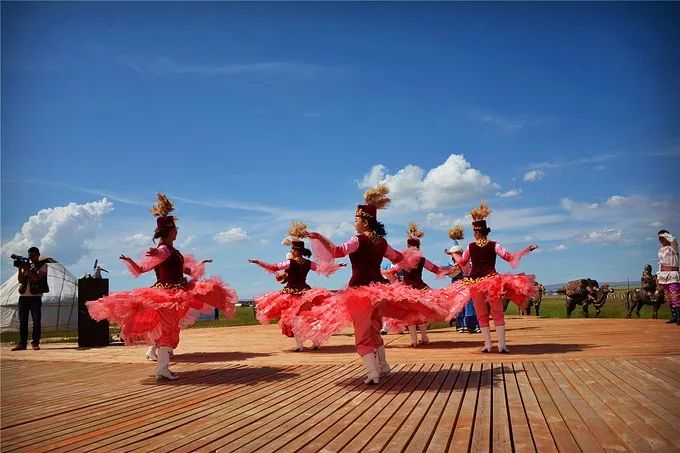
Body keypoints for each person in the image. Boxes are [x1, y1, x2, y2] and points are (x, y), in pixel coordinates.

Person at [300, 185, 446, 384]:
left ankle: (373, 373)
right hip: (379, 291)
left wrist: (320, 238)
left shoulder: (357, 240)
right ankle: (383, 367)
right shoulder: (382, 243)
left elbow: (336, 251)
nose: (355, 224)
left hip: (359, 292)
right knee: (375, 329)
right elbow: (398, 257)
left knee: (362, 333)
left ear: (365, 222)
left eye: (356, 220)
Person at [86, 193, 238, 380]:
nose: (177, 232)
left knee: (169, 326)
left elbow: (187, 270)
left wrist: (202, 264)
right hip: (167, 294)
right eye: (174, 230)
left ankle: (159, 361)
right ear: (168, 233)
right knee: (169, 329)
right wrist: (150, 253)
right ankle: (162, 368)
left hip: (178, 291)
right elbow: (146, 265)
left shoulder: (173, 251)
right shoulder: (165, 249)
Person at [444, 202, 538, 353]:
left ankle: (488, 345)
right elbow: (508, 257)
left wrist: (452, 254)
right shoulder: (495, 245)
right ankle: (501, 345)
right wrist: (524, 251)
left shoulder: (470, 247)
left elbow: (462, 262)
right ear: (485, 231)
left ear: (476, 232)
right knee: (497, 312)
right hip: (493, 281)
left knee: (481, 313)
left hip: (475, 283)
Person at [249, 222, 343, 351]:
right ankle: (315, 342)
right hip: (305, 293)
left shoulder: (289, 263)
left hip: (291, 295)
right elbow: (323, 269)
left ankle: (300, 345)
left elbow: (273, 267)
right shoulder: (308, 263)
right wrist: (338, 266)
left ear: (295, 251)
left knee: (295, 320)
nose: (291, 251)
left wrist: (258, 262)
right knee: (309, 318)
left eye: (292, 249)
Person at [386, 223, 451, 347]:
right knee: (419, 313)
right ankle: (424, 337)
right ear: (418, 247)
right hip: (421, 288)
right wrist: (447, 270)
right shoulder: (422, 260)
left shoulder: (403, 259)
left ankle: (414, 341)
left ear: (408, 246)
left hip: (406, 289)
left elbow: (393, 270)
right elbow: (434, 269)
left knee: (410, 314)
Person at [11, 247, 50, 351]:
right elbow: (20, 280)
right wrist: (20, 269)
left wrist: (27, 268)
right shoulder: (27, 266)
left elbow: (36, 279)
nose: (31, 258)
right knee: (23, 321)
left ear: (38, 255)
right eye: (29, 256)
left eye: (33, 256)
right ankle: (22, 343)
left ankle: (35, 343)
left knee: (36, 321)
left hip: (35, 298)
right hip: (23, 297)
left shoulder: (43, 265)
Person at [445, 226, 480, 334]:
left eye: (459, 253)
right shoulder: (451, 264)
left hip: (466, 284)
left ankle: (471, 324)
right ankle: (461, 325)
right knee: (458, 306)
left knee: (469, 304)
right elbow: (450, 272)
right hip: (456, 286)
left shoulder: (465, 262)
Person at [656, 230, 679, 325]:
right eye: (659, 238)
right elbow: (660, 264)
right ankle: (674, 316)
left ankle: (679, 316)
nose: (661, 240)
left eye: (662, 238)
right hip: (664, 275)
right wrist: (658, 275)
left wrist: (664, 234)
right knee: (668, 297)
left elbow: (673, 239)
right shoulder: (661, 250)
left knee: (675, 296)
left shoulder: (673, 247)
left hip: (673, 274)